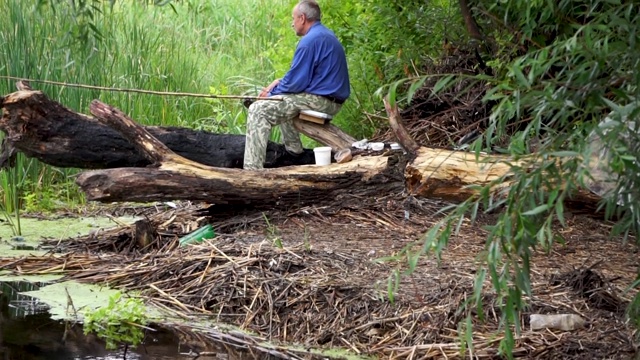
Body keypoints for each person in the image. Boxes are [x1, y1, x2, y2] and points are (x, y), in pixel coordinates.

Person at [243, 0, 350, 170]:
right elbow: (302, 78)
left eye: (293, 19)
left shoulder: (309, 42)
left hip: (322, 101)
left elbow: (295, 83)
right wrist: (279, 84)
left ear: (302, 18)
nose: (292, 23)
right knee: (283, 99)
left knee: (259, 110)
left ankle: (251, 171)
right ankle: (294, 153)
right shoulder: (325, 35)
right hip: (331, 100)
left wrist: (270, 94)